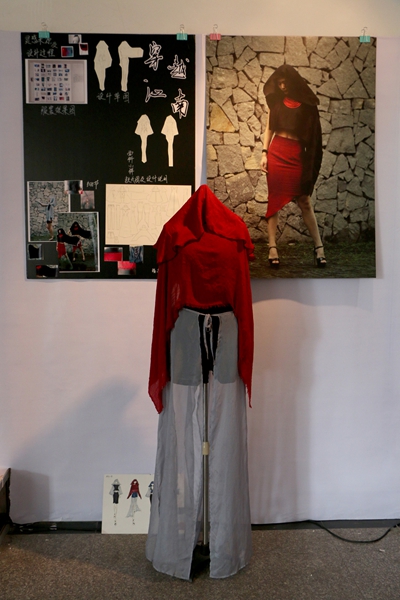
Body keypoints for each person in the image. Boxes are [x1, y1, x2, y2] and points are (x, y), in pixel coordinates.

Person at [260, 64, 326, 268]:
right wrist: (264, 153)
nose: (282, 86)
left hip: (296, 155)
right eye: (279, 83)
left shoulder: (307, 106)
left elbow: (313, 137)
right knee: (274, 200)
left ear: (293, 81)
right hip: (276, 153)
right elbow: (269, 129)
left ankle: (319, 247)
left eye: (285, 82)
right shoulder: (276, 102)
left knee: (304, 200)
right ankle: (272, 247)